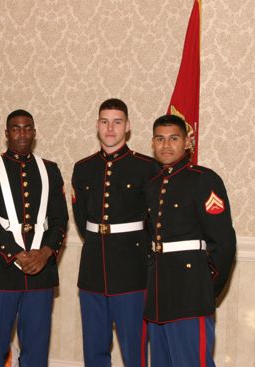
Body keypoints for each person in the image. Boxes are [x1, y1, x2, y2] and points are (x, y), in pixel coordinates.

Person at [0, 109, 68, 367]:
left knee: (36, 350)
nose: (22, 133)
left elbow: (60, 220)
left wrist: (45, 253)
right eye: (16, 128)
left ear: (35, 133)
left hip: (40, 274)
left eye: (27, 128)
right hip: (0, 273)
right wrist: (15, 253)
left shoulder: (50, 169)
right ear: (7, 134)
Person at [144, 114, 236, 367]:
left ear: (186, 142)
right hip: (158, 292)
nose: (166, 145)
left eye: (174, 138)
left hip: (190, 290)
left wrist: (207, 285)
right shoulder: (152, 184)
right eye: (160, 139)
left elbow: (224, 242)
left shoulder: (203, 179)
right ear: (152, 143)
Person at [71, 98, 156, 367]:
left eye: (117, 122)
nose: (110, 128)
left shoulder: (146, 167)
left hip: (132, 270)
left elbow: (154, 222)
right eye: (105, 121)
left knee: (135, 350)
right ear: (97, 125)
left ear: (127, 126)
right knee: (94, 348)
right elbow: (82, 218)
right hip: (94, 268)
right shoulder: (83, 168)